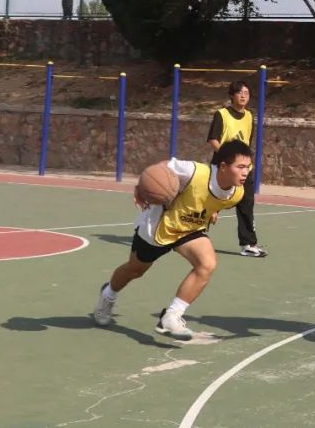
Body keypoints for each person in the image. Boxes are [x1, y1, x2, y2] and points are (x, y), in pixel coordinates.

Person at [92, 140, 252, 340]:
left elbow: (214, 200)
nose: (246, 172)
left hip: (189, 230)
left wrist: (213, 211)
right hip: (159, 226)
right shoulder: (195, 172)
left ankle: (171, 316)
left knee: (207, 264)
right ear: (223, 167)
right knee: (135, 270)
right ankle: (108, 294)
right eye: (240, 167)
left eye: (248, 167)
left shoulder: (237, 193)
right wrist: (141, 187)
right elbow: (160, 169)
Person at [207, 81, 267, 257]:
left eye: (246, 93)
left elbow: (247, 141)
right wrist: (228, 156)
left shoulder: (249, 116)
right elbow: (213, 139)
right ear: (232, 95)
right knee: (210, 203)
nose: (243, 96)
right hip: (223, 167)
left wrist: (243, 162)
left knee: (246, 204)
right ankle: (191, 234)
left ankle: (248, 244)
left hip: (243, 169)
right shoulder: (222, 114)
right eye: (239, 92)